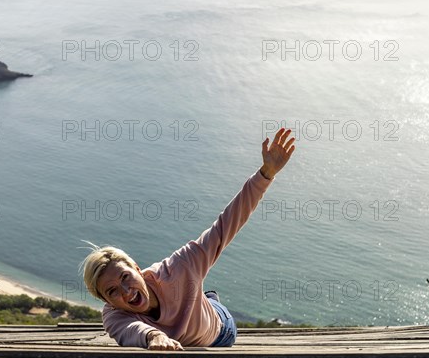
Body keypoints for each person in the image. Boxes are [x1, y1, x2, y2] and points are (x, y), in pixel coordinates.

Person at [81, 128, 296, 350]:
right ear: (107, 302)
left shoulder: (180, 267)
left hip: (220, 330)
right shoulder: (114, 316)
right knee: (193, 294)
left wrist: (266, 173)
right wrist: (154, 336)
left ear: (137, 268)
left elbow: (226, 225)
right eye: (112, 291)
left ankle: (208, 299)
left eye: (125, 276)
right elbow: (131, 331)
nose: (126, 291)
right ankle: (202, 296)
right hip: (188, 316)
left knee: (201, 297)